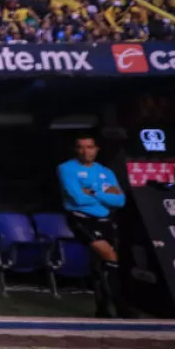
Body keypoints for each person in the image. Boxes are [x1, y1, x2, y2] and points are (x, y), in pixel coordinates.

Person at [59, 134, 129, 318]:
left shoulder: (106, 172)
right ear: (76, 150)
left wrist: (93, 192)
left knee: (99, 265)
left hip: (105, 220)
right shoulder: (66, 169)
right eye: (81, 147)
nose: (85, 151)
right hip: (81, 219)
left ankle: (102, 309)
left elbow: (120, 201)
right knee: (110, 257)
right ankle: (122, 307)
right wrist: (105, 196)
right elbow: (77, 198)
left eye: (89, 147)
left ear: (96, 149)